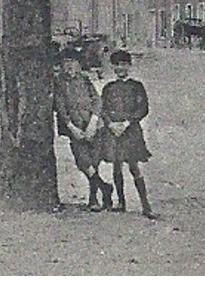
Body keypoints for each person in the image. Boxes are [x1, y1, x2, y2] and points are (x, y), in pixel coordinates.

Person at [54, 48, 112, 210]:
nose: (69, 66)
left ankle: (94, 199)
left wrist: (94, 120)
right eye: (66, 62)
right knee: (83, 162)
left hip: (94, 126)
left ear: (79, 64)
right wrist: (71, 127)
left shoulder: (85, 80)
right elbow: (60, 108)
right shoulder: (59, 83)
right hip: (76, 128)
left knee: (94, 162)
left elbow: (97, 100)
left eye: (73, 62)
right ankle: (105, 187)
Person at [101, 49, 155, 218]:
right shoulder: (109, 88)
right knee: (117, 166)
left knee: (134, 167)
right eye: (117, 65)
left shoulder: (136, 86)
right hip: (113, 131)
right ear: (112, 67)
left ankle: (146, 205)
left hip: (130, 131)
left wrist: (126, 123)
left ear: (129, 66)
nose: (120, 68)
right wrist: (110, 124)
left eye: (124, 64)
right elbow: (103, 109)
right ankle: (121, 202)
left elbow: (143, 108)